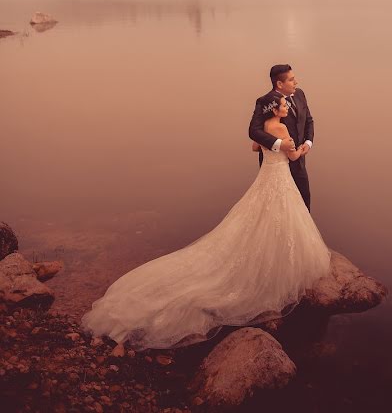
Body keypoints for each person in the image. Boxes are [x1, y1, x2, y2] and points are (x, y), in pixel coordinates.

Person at [81, 93, 331, 354]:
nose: (285, 107)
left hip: (265, 179)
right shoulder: (281, 128)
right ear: (275, 109)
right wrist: (302, 148)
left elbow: (255, 148)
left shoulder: (263, 130)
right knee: (278, 219)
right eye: (282, 105)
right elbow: (292, 157)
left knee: (255, 218)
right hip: (279, 180)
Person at [249, 64, 315, 210]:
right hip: (275, 170)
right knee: (274, 211)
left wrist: (308, 142)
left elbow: (308, 120)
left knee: (302, 210)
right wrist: (280, 144)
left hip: (299, 164)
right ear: (279, 83)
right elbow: (254, 131)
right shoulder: (264, 101)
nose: (296, 82)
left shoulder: (299, 94)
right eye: (291, 80)